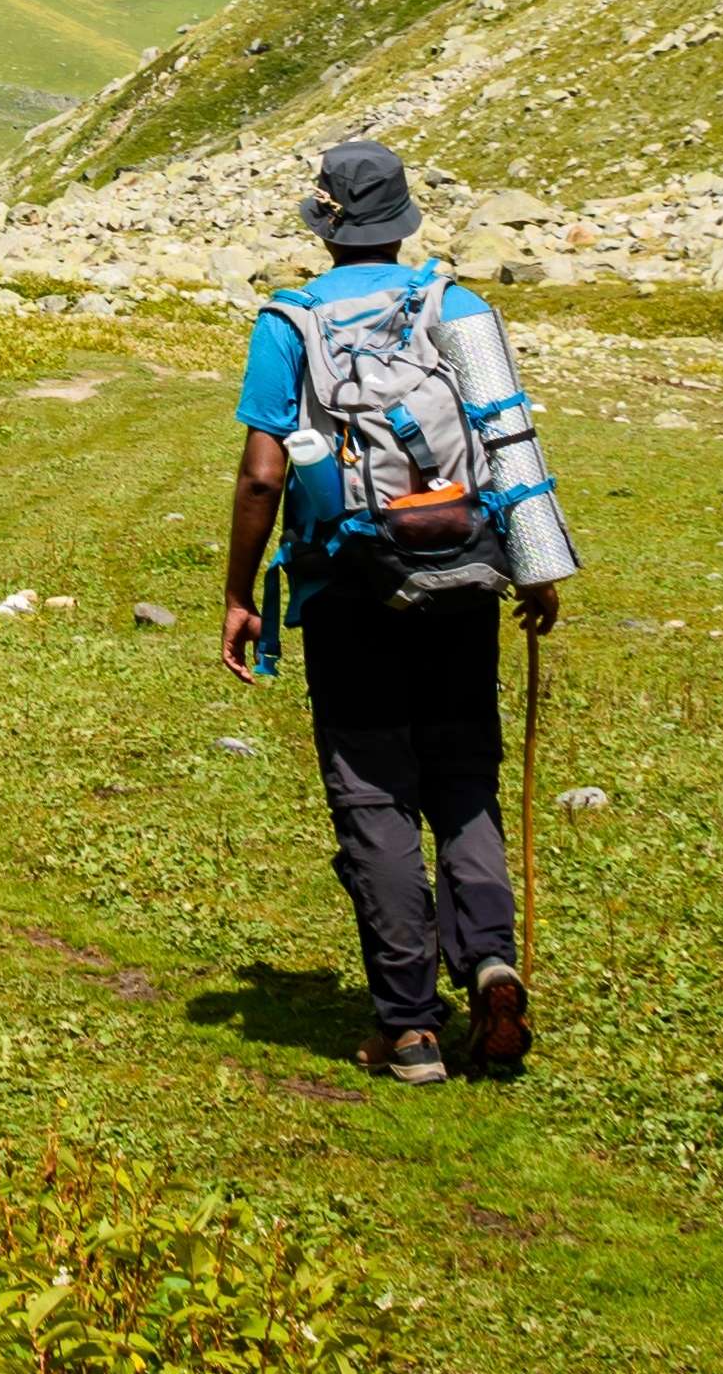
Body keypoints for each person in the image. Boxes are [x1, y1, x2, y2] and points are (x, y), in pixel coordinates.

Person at [215, 133, 578, 1084]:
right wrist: (533, 566)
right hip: (462, 574)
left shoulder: (288, 325)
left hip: (350, 589)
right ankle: (490, 960)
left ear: (327, 224)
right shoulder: (455, 305)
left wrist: (239, 593)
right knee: (463, 773)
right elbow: (507, 438)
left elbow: (262, 476)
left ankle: (411, 1028)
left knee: (373, 792)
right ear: (404, 217)